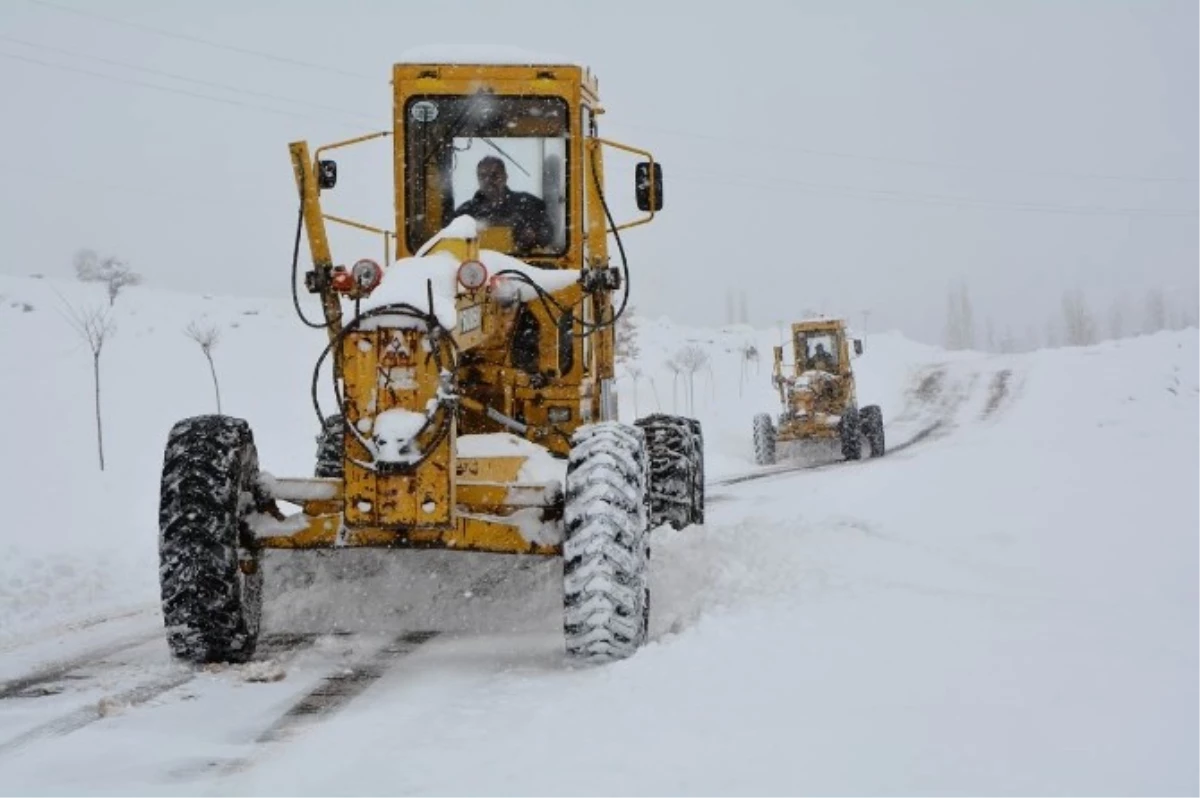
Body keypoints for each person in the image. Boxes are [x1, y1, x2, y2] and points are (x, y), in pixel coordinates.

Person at [453, 156, 553, 252]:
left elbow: (548, 232)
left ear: (505, 177)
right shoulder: (465, 213)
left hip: (522, 265)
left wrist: (534, 235)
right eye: (482, 176)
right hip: (477, 267)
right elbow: (451, 241)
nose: (488, 181)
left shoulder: (528, 204)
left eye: (494, 175)